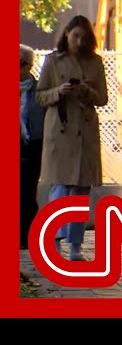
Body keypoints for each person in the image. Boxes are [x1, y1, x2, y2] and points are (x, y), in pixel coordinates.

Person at [36, 15, 108, 261]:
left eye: (83, 37)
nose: (79, 41)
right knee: (60, 187)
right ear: (67, 33)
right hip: (60, 130)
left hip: (85, 132)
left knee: (80, 190)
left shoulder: (95, 62)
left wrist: (85, 90)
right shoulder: (52, 61)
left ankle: (75, 246)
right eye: (75, 36)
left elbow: (103, 98)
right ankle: (54, 241)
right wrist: (59, 91)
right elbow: (40, 96)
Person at [20, 44, 46, 250]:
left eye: (21, 64)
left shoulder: (39, 91)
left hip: (33, 144)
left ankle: (24, 237)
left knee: (27, 191)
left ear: (29, 66)